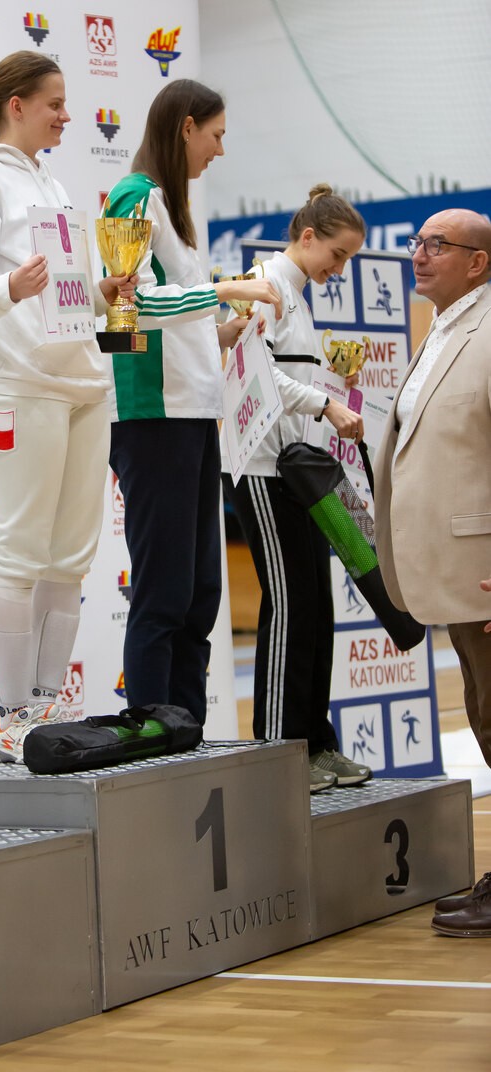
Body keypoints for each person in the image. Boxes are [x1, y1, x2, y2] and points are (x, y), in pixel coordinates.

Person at [0, 52, 133, 763]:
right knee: (21, 545)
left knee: (71, 555)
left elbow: (58, 292)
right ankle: (9, 712)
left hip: (80, 379)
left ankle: (47, 704)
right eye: (53, 102)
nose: (65, 114)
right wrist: (9, 290)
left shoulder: (48, 182)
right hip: (16, 384)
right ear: (14, 104)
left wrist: (99, 294)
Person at [102, 79, 283, 728]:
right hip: (152, 416)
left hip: (191, 414)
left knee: (201, 591)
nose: (220, 149)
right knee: (163, 591)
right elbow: (131, 305)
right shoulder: (130, 195)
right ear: (184, 127)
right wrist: (225, 290)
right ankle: (150, 730)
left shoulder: (168, 208)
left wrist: (222, 326)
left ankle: (184, 730)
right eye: (216, 134)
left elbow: (172, 309)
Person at [223, 184, 370, 793]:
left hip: (298, 468)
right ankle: (282, 749)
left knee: (318, 605)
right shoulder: (265, 283)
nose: (340, 268)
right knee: (289, 605)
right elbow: (259, 374)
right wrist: (326, 404)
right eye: (336, 254)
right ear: (307, 237)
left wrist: (333, 385)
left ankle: (317, 741)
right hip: (262, 469)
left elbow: (290, 374)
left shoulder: (298, 297)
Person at [372, 208, 491, 937]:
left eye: (434, 245)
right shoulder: (445, 327)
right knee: (484, 718)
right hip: (454, 575)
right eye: (415, 242)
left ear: (476, 262)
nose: (417, 255)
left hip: (482, 572)